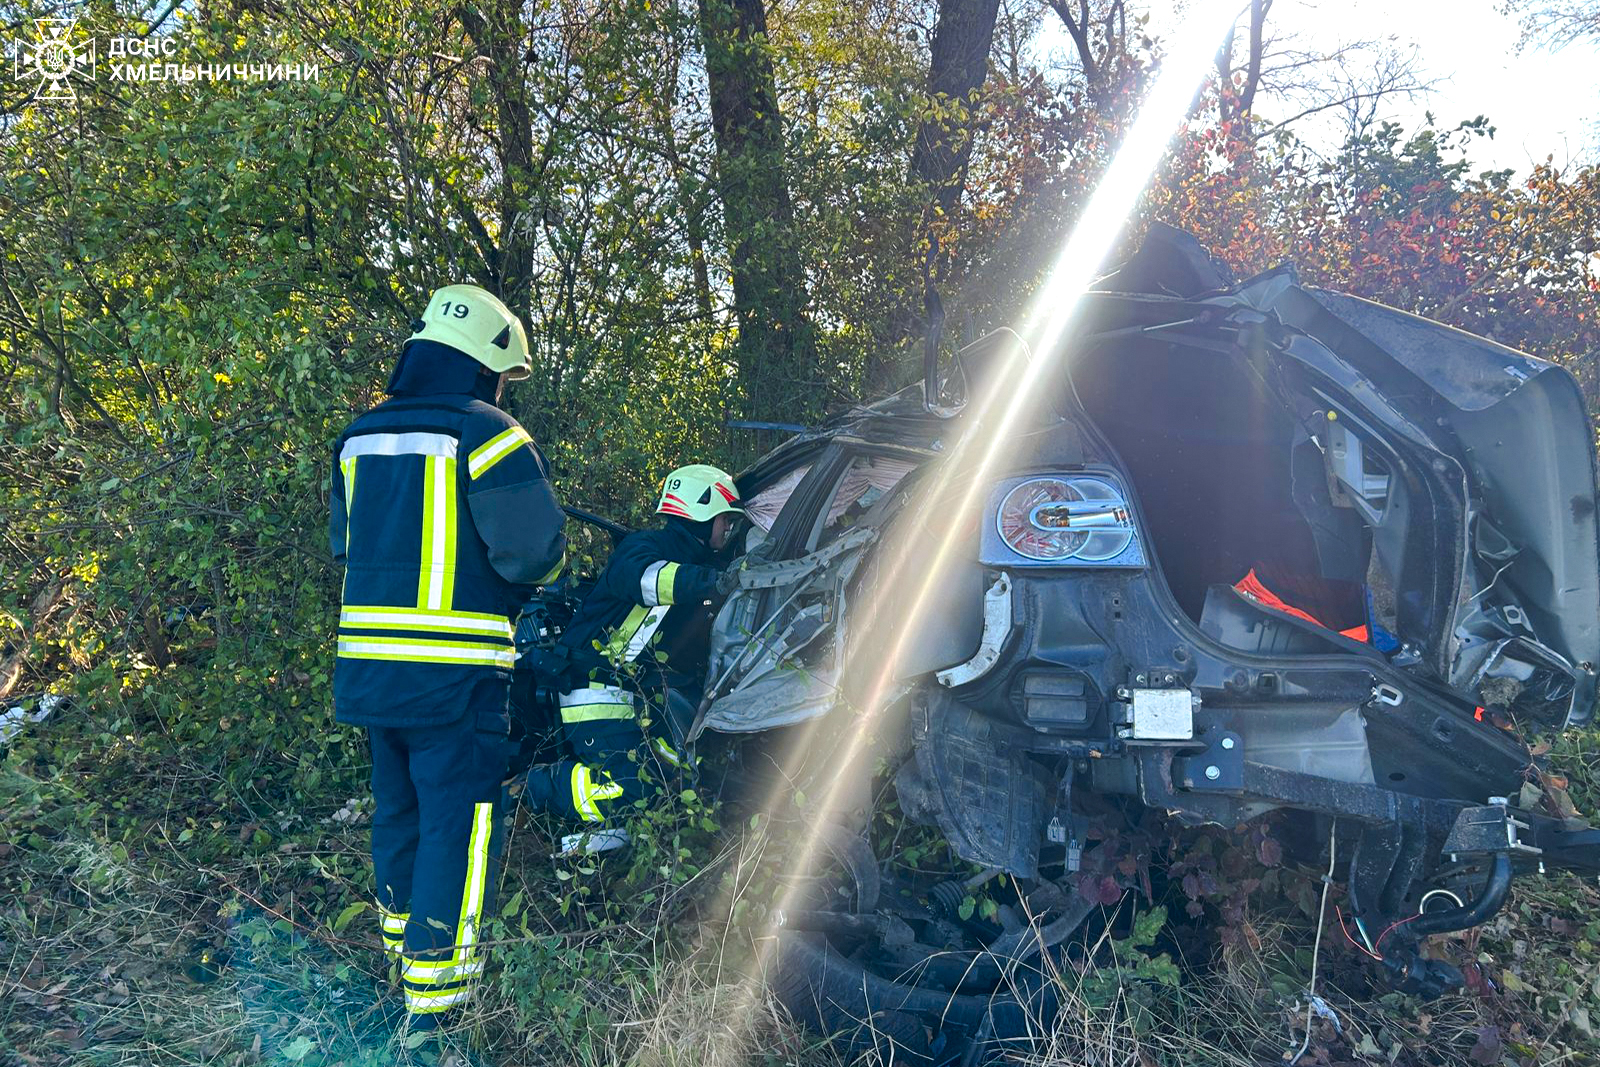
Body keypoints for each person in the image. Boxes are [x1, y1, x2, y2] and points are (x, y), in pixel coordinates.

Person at [329, 283, 566, 1025]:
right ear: (485, 364)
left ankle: (406, 967)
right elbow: (535, 553)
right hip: (454, 677)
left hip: (370, 673)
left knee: (397, 813)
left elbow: (346, 544)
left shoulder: (358, 438)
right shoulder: (489, 432)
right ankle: (438, 1011)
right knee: (456, 829)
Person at [522, 464, 744, 827]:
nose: (728, 529)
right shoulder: (644, 549)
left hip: (635, 692)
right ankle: (534, 789)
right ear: (701, 512)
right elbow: (650, 581)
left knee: (673, 769)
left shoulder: (698, 564)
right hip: (592, 686)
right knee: (629, 789)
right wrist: (716, 582)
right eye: (725, 520)